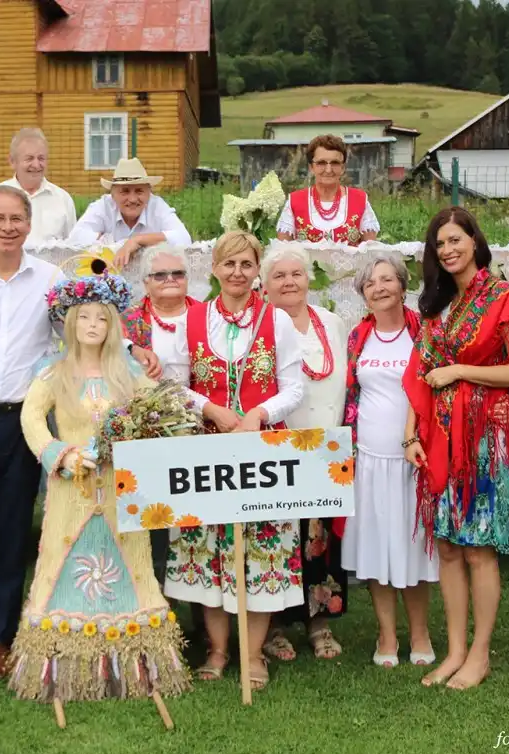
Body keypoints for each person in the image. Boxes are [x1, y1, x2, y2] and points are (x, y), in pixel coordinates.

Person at [0, 185, 162, 679]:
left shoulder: (48, 278)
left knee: (12, 534)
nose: (8, 227)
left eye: (16, 219)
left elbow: (84, 329)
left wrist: (133, 352)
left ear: (29, 226)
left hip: (18, 425)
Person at [9, 272, 190, 701]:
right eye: (83, 317)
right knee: (60, 556)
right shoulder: (52, 372)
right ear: (69, 322)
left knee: (132, 557)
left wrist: (143, 435)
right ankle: (57, 668)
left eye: (101, 318)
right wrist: (60, 455)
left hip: (120, 486)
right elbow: (31, 419)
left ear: (113, 324)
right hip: (71, 487)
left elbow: (161, 406)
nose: (92, 325)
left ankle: (137, 666)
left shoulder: (127, 371)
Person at [403, 206, 509, 690]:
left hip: (483, 439)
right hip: (438, 436)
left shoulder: (506, 299)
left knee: (479, 547)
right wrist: (411, 434)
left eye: (456, 239)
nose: (448, 249)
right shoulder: (438, 305)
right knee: (447, 546)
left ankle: (479, 653)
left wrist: (460, 371)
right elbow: (419, 376)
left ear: (476, 243)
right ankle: (455, 649)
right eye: (440, 244)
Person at [164, 230, 305, 691]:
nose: (238, 273)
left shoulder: (277, 320)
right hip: (207, 451)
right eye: (229, 264)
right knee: (211, 553)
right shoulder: (193, 318)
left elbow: (295, 387)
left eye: (247, 265)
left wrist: (260, 414)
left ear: (257, 270)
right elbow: (176, 383)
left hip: (261, 452)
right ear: (215, 269)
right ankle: (219, 649)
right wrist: (210, 409)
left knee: (262, 553)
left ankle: (252, 652)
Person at [340, 255, 438, 668]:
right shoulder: (358, 338)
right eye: (370, 284)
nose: (379, 288)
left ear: (402, 285)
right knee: (376, 546)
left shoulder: (425, 332)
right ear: (363, 294)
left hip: (414, 460)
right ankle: (385, 634)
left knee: (413, 546)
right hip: (368, 460)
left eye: (387, 280)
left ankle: (419, 633)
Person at [259, 245, 350, 663]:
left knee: (319, 540)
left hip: (325, 448)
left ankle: (319, 622)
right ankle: (273, 626)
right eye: (279, 276)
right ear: (265, 283)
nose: (289, 282)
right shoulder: (259, 324)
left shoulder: (332, 323)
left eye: (296, 274)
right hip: (277, 446)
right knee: (276, 537)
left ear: (308, 279)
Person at [121, 243, 199, 583]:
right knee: (154, 518)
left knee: (196, 518)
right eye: (160, 275)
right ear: (146, 283)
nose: (170, 279)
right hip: (148, 432)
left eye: (177, 273)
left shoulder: (206, 315)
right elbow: (104, 343)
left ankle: (199, 601)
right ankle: (156, 599)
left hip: (202, 425)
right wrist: (131, 348)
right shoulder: (129, 323)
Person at [67, 158, 192, 268]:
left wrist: (137, 240)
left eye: (139, 191)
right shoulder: (103, 205)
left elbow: (183, 238)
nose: (132, 199)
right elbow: (75, 237)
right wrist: (111, 242)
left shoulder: (157, 205)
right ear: (112, 195)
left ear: (149, 193)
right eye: (125, 191)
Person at [276, 135, 379, 246]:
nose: (328, 170)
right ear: (311, 167)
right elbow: (283, 252)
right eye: (321, 163)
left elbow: (371, 251)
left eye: (335, 163)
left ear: (343, 168)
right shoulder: (295, 202)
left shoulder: (359, 200)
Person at [0, 128, 77, 244]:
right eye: (29, 158)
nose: (36, 165)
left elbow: (72, 249)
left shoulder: (63, 199)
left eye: (41, 158)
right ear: (12, 162)